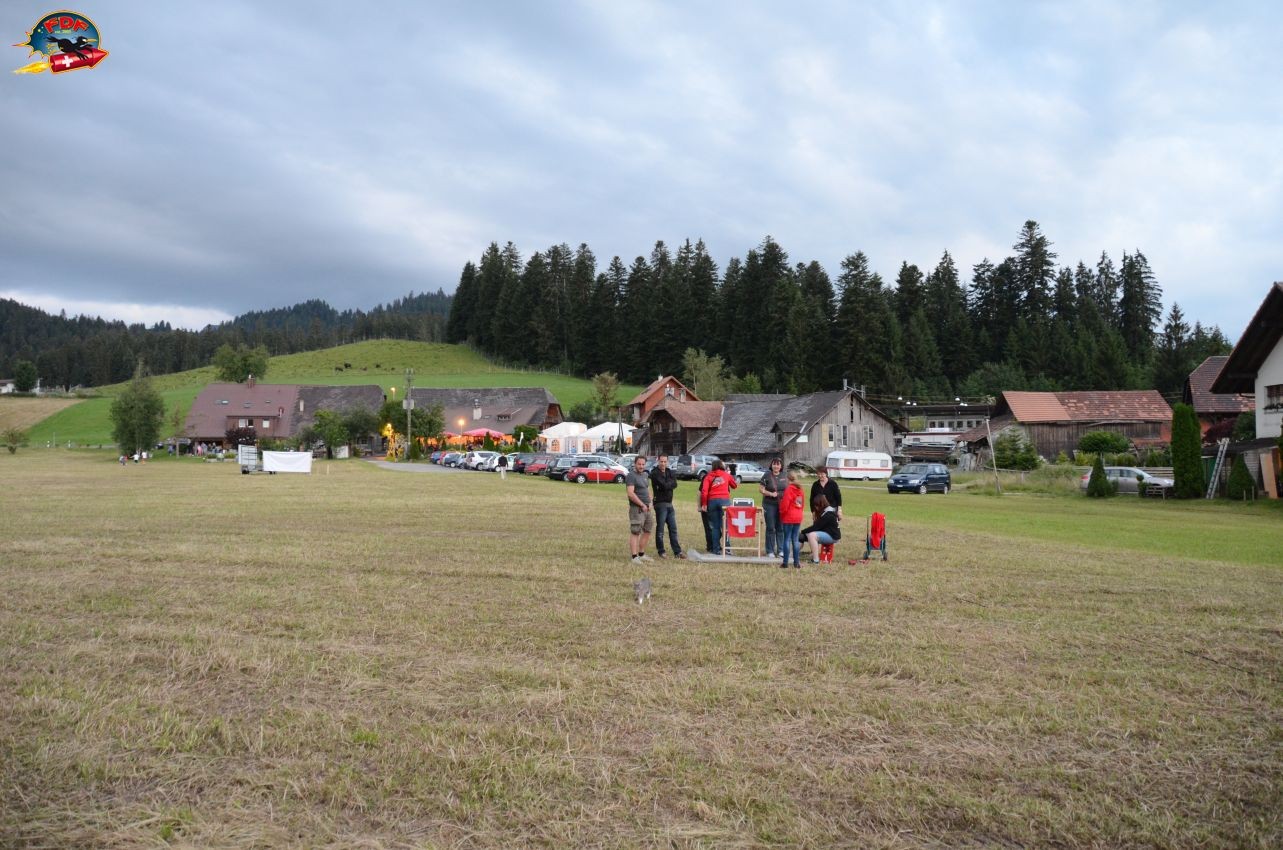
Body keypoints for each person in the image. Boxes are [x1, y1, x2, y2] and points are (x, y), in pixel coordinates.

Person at [698, 459, 738, 555]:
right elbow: (734, 485)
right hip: (724, 501)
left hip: (712, 502)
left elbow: (704, 492)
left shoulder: (708, 476)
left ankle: (716, 549)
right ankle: (727, 548)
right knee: (726, 526)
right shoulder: (726, 475)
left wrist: (704, 504)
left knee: (715, 527)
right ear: (721, 466)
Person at [649, 455, 685, 559]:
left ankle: (677, 552)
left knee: (673, 529)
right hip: (660, 504)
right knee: (660, 529)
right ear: (658, 461)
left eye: (665, 461)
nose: (663, 464)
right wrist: (669, 484)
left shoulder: (670, 472)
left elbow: (675, 484)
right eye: (661, 461)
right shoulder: (655, 473)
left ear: (667, 462)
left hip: (669, 504)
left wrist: (667, 484)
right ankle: (661, 551)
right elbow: (664, 485)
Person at [626, 455, 655, 563]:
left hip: (647, 509)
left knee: (647, 530)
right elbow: (630, 493)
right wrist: (642, 505)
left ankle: (641, 554)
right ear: (635, 464)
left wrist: (650, 503)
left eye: (643, 464)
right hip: (637, 509)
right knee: (636, 532)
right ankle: (634, 557)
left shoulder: (645, 475)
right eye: (639, 464)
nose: (641, 466)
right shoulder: (631, 476)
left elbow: (648, 490)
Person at [799, 493, 841, 563]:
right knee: (803, 536)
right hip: (827, 532)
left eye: (817, 505)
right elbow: (818, 527)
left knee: (812, 535)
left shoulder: (828, 513)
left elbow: (816, 527)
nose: (816, 507)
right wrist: (803, 535)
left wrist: (803, 531)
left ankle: (815, 560)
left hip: (833, 536)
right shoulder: (827, 511)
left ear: (822, 503)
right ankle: (793, 554)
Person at [759, 457, 787, 558]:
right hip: (769, 504)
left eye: (778, 464)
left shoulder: (785, 475)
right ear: (771, 465)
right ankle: (770, 550)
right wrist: (770, 494)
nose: (776, 466)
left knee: (781, 528)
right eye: (774, 464)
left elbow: (789, 489)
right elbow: (761, 489)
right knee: (770, 527)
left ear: (781, 466)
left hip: (782, 505)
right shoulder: (766, 475)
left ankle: (781, 550)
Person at [779, 470, 805, 568]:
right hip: (798, 516)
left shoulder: (789, 489)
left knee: (787, 539)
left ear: (788, 479)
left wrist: (781, 512)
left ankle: (785, 562)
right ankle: (796, 562)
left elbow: (785, 505)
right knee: (795, 539)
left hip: (789, 516)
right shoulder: (800, 489)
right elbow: (801, 504)